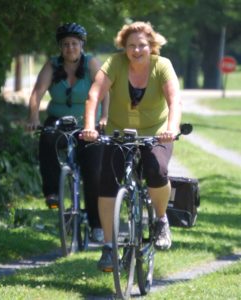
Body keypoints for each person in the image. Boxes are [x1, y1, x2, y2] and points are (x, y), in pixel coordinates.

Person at [81, 21, 182, 271]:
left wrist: (171, 129)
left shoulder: (163, 65)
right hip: (120, 133)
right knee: (107, 185)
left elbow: (174, 100)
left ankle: (160, 220)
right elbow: (94, 94)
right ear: (123, 47)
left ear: (152, 46)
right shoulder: (115, 63)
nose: (137, 50)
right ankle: (107, 246)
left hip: (156, 134)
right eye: (131, 46)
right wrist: (89, 127)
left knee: (156, 169)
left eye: (142, 46)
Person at [27, 22, 109, 242]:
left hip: (88, 123)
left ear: (81, 45)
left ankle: (96, 224)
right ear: (60, 47)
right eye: (65, 44)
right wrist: (33, 118)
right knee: (47, 139)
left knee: (94, 171)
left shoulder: (92, 63)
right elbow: (37, 92)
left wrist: (104, 117)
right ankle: (52, 192)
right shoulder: (52, 66)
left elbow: (104, 91)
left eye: (74, 44)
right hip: (60, 120)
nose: (70, 48)